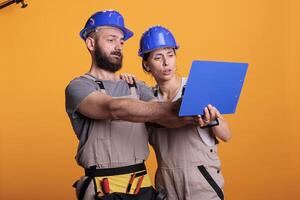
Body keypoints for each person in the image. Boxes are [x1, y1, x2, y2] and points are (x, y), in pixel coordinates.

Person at [65, 11, 195, 200]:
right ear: (91, 44)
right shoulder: (79, 87)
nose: (118, 46)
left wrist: (196, 113)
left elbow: (166, 120)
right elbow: (114, 108)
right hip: (103, 191)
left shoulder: (137, 86)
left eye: (121, 42)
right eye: (111, 40)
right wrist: (174, 107)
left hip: (143, 188)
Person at [137, 26, 231, 200]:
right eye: (158, 57)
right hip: (167, 185)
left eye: (170, 55)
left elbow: (226, 135)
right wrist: (124, 82)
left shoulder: (195, 88)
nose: (166, 63)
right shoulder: (147, 101)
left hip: (202, 182)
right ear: (146, 64)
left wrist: (213, 120)